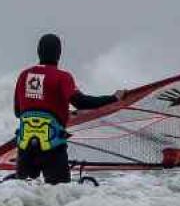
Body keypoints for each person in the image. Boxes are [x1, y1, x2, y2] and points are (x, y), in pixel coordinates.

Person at [13, 33, 124, 184]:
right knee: (60, 196)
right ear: (59, 53)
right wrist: (113, 98)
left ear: (38, 51)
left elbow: (18, 112)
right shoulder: (62, 77)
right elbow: (81, 102)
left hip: (25, 149)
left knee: (23, 194)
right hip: (52, 148)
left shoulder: (24, 75)